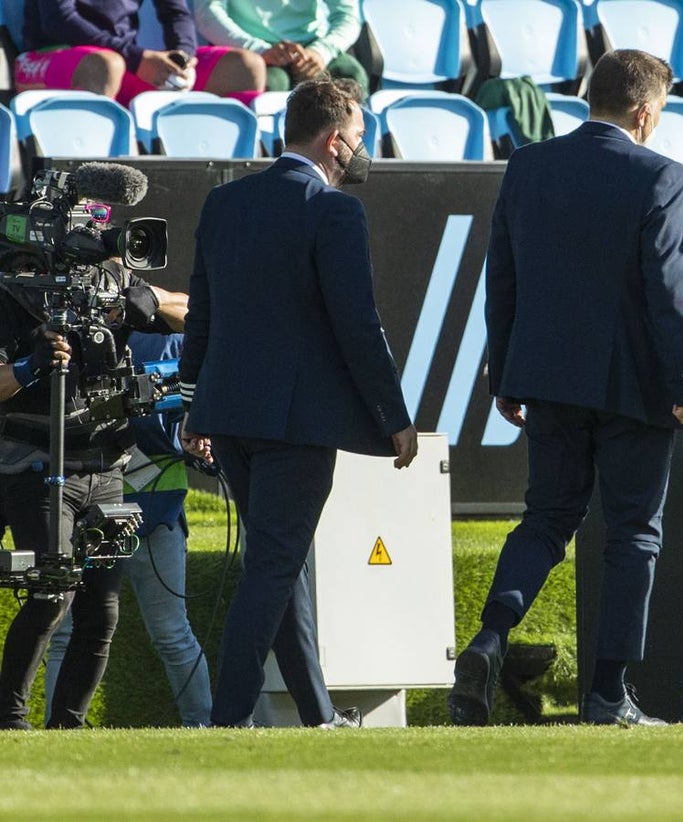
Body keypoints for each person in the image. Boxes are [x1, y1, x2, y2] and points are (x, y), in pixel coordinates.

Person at [448, 49, 683, 727]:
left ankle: (490, 638)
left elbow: (500, 277)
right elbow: (669, 290)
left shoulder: (529, 166)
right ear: (646, 112)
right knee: (632, 538)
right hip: (634, 387)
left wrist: (504, 370)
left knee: (546, 519)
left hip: (548, 383)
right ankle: (606, 696)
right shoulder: (657, 172)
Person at [178, 76, 417, 729]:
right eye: (360, 140)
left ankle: (315, 716)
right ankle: (228, 719)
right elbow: (358, 326)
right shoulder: (334, 210)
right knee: (276, 565)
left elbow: (203, 317)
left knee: (279, 564)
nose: (362, 154)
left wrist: (195, 406)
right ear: (334, 140)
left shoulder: (225, 204)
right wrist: (394, 418)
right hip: (296, 422)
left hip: (230, 417)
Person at [0, 263, 187, 730]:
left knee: (102, 612)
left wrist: (151, 301)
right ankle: (10, 719)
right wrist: (29, 366)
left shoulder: (110, 280)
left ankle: (69, 726)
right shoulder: (10, 291)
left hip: (107, 467)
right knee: (50, 594)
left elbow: (197, 313)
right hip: (35, 466)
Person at [43, 331, 213, 728]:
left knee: (171, 634)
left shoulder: (172, 343)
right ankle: (60, 729)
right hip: (89, 514)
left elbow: (188, 424)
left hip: (154, 513)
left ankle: (202, 725)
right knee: (68, 634)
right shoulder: (71, 338)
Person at [15, 1, 266, 107]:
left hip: (124, 63)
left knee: (245, 65)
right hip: (49, 58)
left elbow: (176, 14)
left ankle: (227, 196)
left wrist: (183, 59)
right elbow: (59, 19)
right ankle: (91, 193)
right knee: (105, 65)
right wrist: (137, 59)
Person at [195, 0, 368, 97]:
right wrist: (259, 50)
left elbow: (348, 16)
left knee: (351, 76)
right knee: (273, 83)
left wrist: (320, 52)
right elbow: (207, 15)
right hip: (253, 53)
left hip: (312, 48)